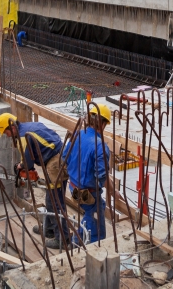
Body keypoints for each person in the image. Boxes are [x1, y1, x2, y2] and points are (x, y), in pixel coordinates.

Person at [0, 113, 68, 249]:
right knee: (50, 199)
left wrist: (21, 166)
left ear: (12, 127)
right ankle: (50, 229)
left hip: (55, 163)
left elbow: (28, 164)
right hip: (56, 157)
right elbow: (30, 153)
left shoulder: (23, 136)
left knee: (56, 202)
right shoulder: (28, 126)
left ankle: (63, 239)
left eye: (6, 132)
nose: (7, 136)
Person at [62, 102, 112, 244]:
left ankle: (78, 236)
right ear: (103, 124)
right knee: (97, 221)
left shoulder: (78, 134)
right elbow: (101, 177)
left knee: (97, 208)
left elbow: (64, 157)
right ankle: (86, 243)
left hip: (73, 187)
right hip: (87, 194)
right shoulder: (100, 146)